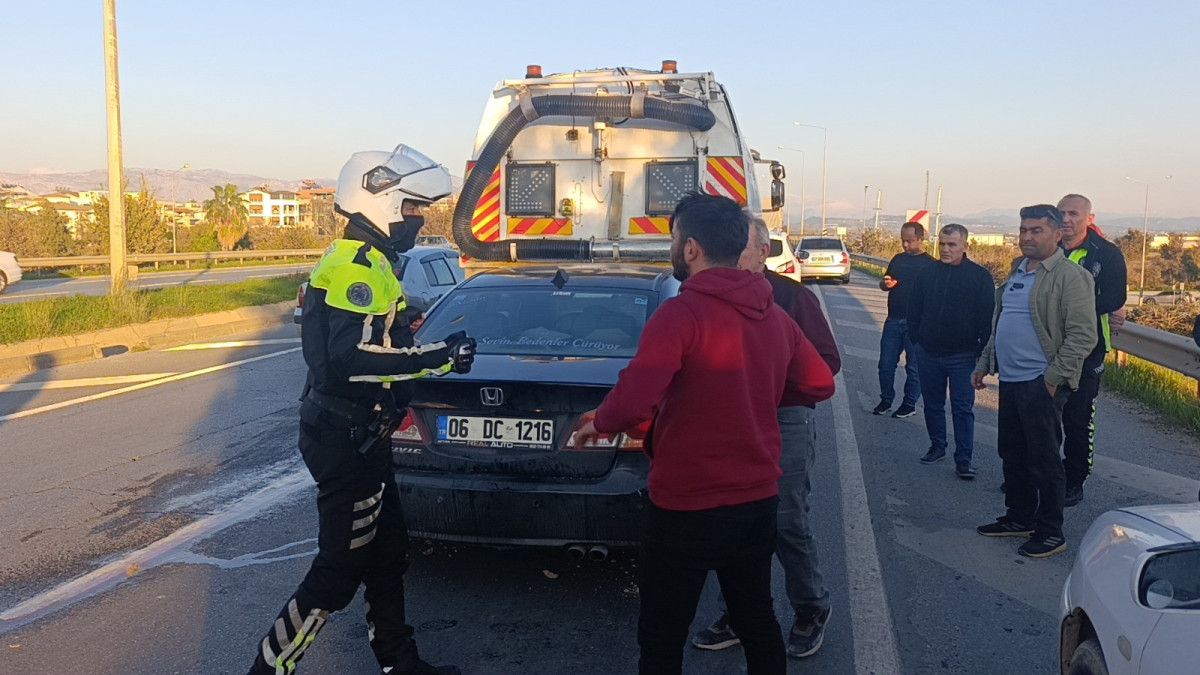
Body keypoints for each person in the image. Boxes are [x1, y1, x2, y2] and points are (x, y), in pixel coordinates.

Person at [574, 194, 835, 675]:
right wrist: (755, 390)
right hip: (756, 500)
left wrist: (600, 422)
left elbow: (633, 401)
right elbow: (819, 382)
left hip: (686, 503)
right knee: (756, 616)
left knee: (663, 630)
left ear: (691, 248)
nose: (673, 247)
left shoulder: (682, 315)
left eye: (674, 239)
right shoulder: (775, 315)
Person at [247, 145, 477, 675]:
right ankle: (267, 670)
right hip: (345, 439)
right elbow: (350, 358)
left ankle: (399, 661)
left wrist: (407, 336)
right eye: (412, 207)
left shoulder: (366, 260)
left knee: (389, 553)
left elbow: (371, 340)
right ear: (382, 202)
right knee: (337, 573)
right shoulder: (360, 265)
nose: (418, 219)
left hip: (362, 434)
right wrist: (440, 357)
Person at [691, 217, 840, 658]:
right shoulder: (711, 297)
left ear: (763, 251)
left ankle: (811, 607)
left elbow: (827, 362)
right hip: (732, 418)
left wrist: (770, 377)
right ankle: (739, 612)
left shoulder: (792, 297)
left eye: (745, 246)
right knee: (735, 519)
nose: (737, 254)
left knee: (786, 519)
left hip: (786, 416)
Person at [973, 204, 1096, 559]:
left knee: (1043, 459)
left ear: (1057, 234)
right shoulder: (1017, 270)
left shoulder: (1070, 277)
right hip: (1011, 380)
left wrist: (1053, 379)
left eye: (1036, 230)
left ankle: (1050, 531)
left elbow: (1083, 335)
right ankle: (1019, 517)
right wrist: (984, 363)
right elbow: (1001, 323)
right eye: (1023, 230)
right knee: (1012, 453)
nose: (1027, 237)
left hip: (1040, 382)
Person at [906, 224, 995, 479]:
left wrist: (980, 352)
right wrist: (917, 340)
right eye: (942, 244)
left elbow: (986, 317)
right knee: (932, 405)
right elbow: (914, 309)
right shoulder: (926, 273)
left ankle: (964, 459)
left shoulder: (979, 277)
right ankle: (937, 446)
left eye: (952, 244)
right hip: (928, 353)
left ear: (965, 246)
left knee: (962, 409)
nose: (945, 249)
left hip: (963, 356)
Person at [1057, 194, 1127, 506]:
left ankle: (1074, 480)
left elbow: (1113, 298)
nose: (1066, 219)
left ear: (1089, 218)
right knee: (1041, 417)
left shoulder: (1106, 254)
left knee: (1077, 420)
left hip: (1088, 351)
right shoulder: (1048, 249)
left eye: (1073, 213)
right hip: (1046, 348)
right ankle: (1041, 474)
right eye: (1061, 213)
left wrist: (1068, 307)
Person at [873, 222, 936, 418]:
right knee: (885, 365)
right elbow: (884, 283)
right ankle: (886, 400)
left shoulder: (931, 265)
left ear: (921, 239)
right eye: (903, 241)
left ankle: (909, 404)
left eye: (910, 241)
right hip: (893, 320)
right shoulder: (897, 259)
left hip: (917, 325)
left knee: (914, 368)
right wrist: (886, 284)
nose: (905, 245)